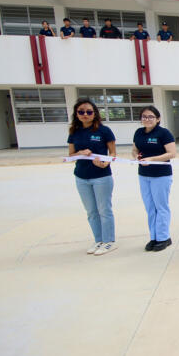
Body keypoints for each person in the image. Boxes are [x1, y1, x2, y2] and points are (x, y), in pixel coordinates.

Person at [67, 98, 117, 256]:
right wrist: (80, 153)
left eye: (89, 111)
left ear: (95, 113)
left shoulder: (104, 131)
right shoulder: (74, 132)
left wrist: (105, 163)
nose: (85, 114)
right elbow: (71, 155)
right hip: (81, 177)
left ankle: (109, 241)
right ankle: (98, 240)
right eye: (81, 112)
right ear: (76, 114)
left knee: (104, 209)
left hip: (101, 176)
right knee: (91, 211)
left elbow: (113, 153)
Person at [132, 105, 177, 252]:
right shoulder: (139, 132)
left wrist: (152, 159)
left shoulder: (164, 133)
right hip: (144, 175)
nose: (147, 119)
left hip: (161, 175)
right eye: (144, 116)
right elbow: (135, 149)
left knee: (161, 207)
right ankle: (154, 237)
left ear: (158, 119)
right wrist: (136, 156)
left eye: (151, 117)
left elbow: (171, 153)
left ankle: (164, 238)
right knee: (150, 207)